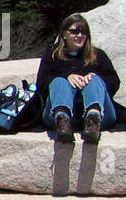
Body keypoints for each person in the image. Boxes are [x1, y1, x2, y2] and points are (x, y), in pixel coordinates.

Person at [36, 13, 120, 144]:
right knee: (59, 81)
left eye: (83, 32)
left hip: (102, 116)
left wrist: (96, 80)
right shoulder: (52, 56)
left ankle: (93, 121)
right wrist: (66, 77)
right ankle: (62, 122)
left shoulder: (98, 55)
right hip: (57, 116)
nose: (80, 35)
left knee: (95, 79)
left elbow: (114, 82)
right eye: (75, 31)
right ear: (64, 34)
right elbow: (41, 86)